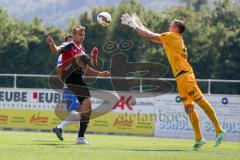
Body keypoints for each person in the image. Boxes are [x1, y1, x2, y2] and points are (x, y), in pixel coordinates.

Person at [121, 13, 225, 151]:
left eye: (171, 24)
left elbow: (148, 36)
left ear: (175, 28)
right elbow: (150, 34)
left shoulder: (171, 36)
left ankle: (219, 129)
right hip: (181, 78)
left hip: (186, 77)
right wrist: (138, 23)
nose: (169, 26)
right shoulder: (173, 38)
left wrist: (132, 25)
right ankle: (199, 138)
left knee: (200, 101)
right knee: (189, 108)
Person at [47, 25, 109, 144]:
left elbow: (86, 70)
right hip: (68, 74)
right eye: (80, 34)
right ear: (73, 36)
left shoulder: (82, 51)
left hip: (77, 81)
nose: (82, 37)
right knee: (81, 57)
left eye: (84, 35)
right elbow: (57, 49)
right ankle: (93, 59)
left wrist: (101, 74)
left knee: (88, 109)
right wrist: (52, 44)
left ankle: (80, 138)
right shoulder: (69, 45)